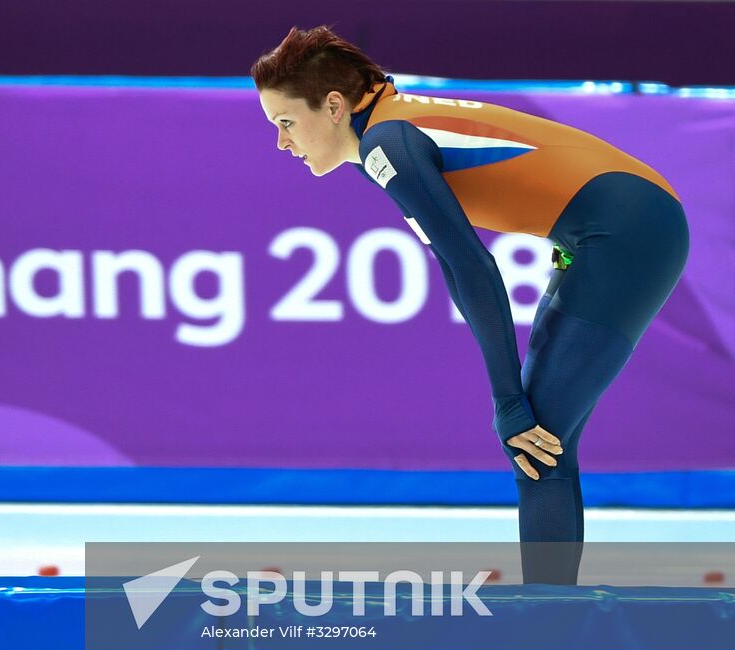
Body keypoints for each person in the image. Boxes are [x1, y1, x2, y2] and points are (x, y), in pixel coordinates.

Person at [250, 26, 689, 584]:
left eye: (286, 123)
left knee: (538, 444)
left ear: (334, 105)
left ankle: (546, 632)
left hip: (629, 230)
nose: (282, 144)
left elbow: (475, 271)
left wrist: (508, 402)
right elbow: (463, 270)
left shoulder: (389, 143)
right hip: (613, 225)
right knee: (543, 443)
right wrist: (510, 402)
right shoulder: (389, 128)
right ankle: (551, 621)